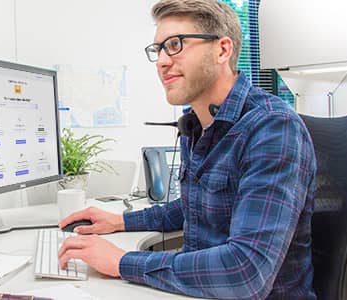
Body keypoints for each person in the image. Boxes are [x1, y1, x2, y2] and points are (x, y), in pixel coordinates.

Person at [56, 0, 317, 299]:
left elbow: (246, 271)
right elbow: (195, 205)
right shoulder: (196, 126)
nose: (161, 61)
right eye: (158, 49)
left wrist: (121, 262)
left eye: (175, 45)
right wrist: (120, 221)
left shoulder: (272, 127)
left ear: (222, 50)